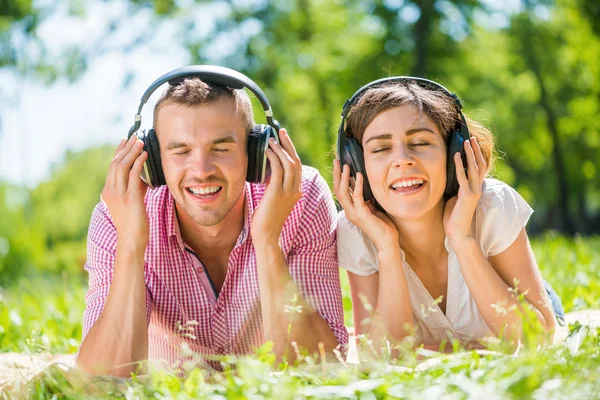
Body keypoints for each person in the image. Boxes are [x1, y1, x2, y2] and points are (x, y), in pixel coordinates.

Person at [76, 66, 347, 377]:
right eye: (181, 151)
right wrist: (132, 245)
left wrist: (267, 241)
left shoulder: (301, 195)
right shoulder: (118, 215)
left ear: (256, 152)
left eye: (221, 148)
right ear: (152, 159)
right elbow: (98, 381)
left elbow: (320, 369)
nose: (201, 170)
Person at [333, 77, 564, 352]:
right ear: (356, 166)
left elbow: (536, 338)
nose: (402, 159)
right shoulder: (356, 230)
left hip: (533, 303)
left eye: (420, 142)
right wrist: (387, 248)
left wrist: (462, 237)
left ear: (455, 153)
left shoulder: (493, 206)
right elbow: (382, 356)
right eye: (381, 148)